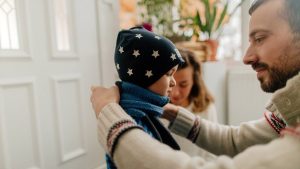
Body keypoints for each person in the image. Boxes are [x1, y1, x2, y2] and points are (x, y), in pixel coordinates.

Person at [91, 0, 300, 168]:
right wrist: (173, 113)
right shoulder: (288, 116)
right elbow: (236, 141)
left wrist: (108, 113)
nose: (246, 57)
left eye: (260, 38)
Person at [103, 26, 184, 169]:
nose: (174, 82)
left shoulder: (141, 108)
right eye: (168, 74)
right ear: (145, 76)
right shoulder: (134, 117)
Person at [163, 48, 218, 159]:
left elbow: (213, 151)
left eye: (183, 85)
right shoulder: (155, 108)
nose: (175, 93)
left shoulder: (206, 107)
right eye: (170, 83)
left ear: (194, 81)